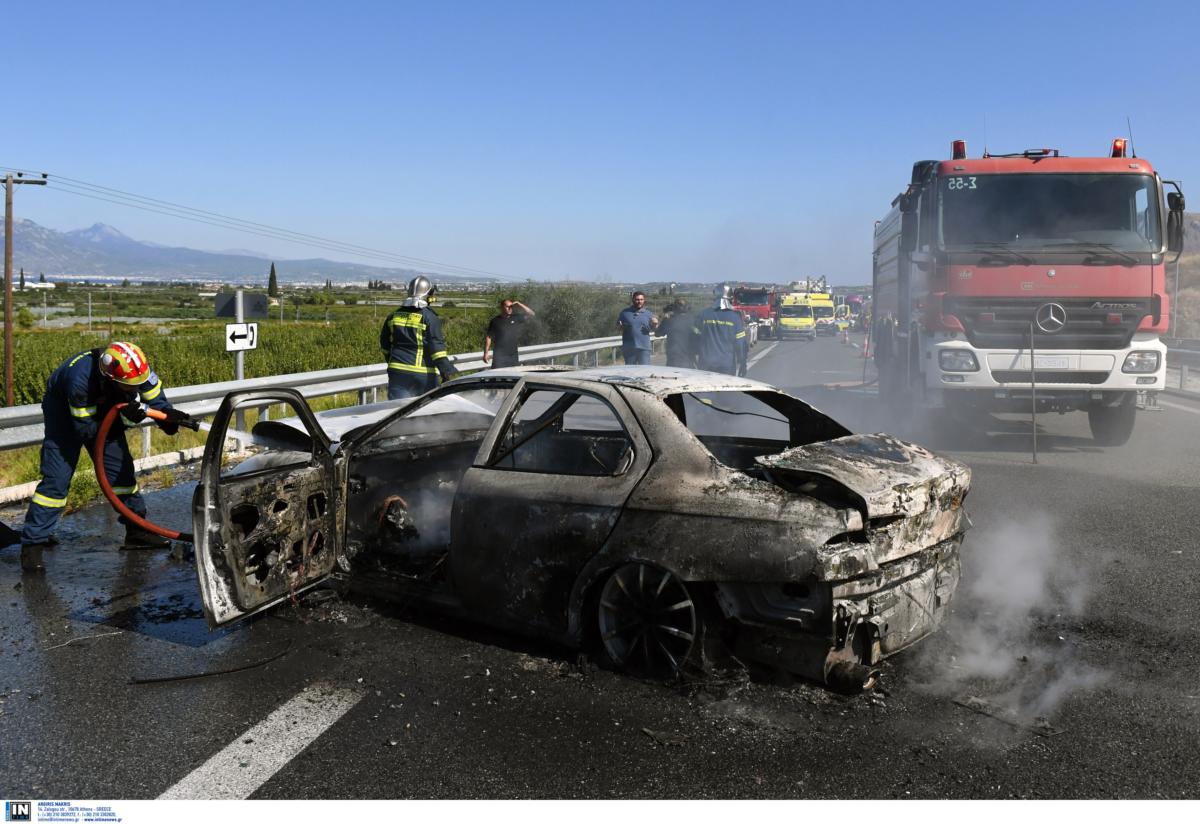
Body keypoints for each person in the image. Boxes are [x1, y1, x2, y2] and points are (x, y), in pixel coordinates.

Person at [19, 342, 191, 573]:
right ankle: (33, 545)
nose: (134, 390)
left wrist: (167, 417)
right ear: (111, 378)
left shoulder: (135, 370)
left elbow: (156, 400)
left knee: (122, 474)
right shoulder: (80, 381)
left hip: (104, 405)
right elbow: (89, 431)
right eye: (129, 388)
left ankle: (137, 531)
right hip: (65, 414)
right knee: (56, 481)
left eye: (137, 386)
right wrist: (129, 418)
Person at [380, 276, 460, 400]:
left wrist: (391, 360)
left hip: (397, 372)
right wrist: (446, 371)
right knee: (426, 412)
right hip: (422, 374)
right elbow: (437, 350)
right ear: (427, 294)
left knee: (397, 411)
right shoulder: (429, 317)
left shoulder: (393, 316)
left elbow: (384, 344)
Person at [692, 283, 749, 376]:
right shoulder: (735, 318)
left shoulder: (703, 314)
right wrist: (742, 363)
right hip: (726, 365)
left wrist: (694, 356)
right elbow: (740, 343)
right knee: (724, 390)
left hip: (705, 364)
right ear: (730, 299)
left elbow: (694, 337)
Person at [483, 298, 535, 368]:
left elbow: (532, 314)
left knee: (513, 377)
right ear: (502, 307)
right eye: (508, 307)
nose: (510, 308)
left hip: (513, 356)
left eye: (511, 307)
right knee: (498, 377)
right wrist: (486, 353)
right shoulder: (495, 321)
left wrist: (519, 304)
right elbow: (489, 337)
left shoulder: (516, 318)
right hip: (499, 356)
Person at [616, 291, 658, 365]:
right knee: (630, 373)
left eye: (641, 299)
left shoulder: (648, 314)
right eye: (637, 299)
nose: (639, 301)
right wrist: (620, 327)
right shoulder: (624, 313)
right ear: (633, 300)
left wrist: (655, 324)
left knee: (645, 371)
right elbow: (618, 328)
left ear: (644, 300)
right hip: (629, 348)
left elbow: (654, 329)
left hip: (644, 348)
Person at [658, 298, 696, 368]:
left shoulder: (669, 320)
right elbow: (698, 334)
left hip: (673, 357)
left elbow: (658, 333)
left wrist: (664, 319)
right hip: (689, 357)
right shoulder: (693, 320)